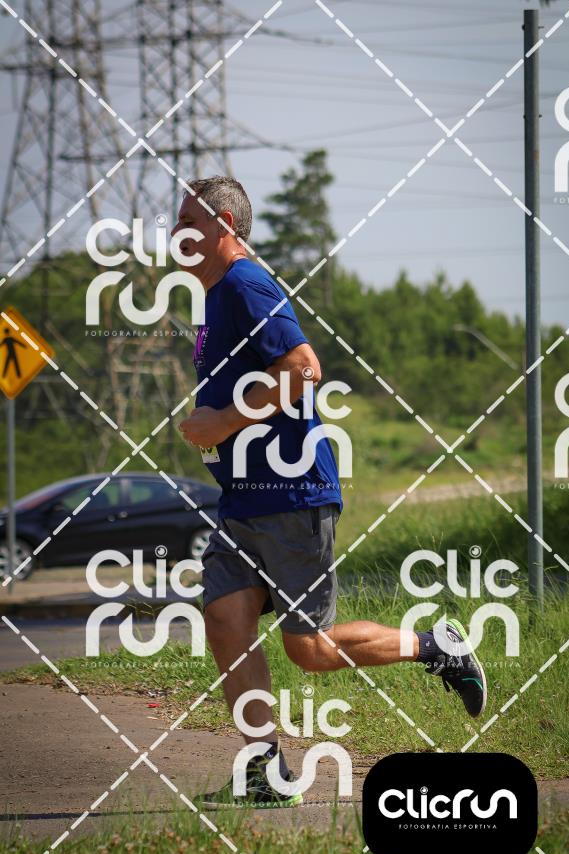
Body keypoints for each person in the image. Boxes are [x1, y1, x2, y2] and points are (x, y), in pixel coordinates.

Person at [175, 176, 486, 809]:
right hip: (243, 500)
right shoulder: (216, 294)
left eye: (189, 221)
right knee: (224, 619)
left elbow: (303, 368)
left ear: (225, 226)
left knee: (310, 650)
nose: (176, 232)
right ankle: (264, 771)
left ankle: (437, 647)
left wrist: (222, 421)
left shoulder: (246, 283)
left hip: (290, 495)